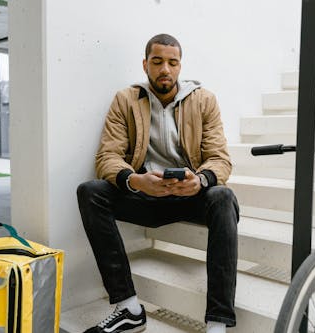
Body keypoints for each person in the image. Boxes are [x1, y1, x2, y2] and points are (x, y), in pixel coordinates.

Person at [77, 33, 239, 333]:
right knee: (90, 192)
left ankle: (217, 322)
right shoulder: (125, 100)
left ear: (180, 66)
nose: (165, 69)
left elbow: (220, 159)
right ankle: (128, 308)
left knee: (223, 197)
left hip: (188, 197)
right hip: (146, 196)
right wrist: (135, 181)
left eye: (172, 62)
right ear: (145, 64)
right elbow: (107, 157)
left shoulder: (204, 100)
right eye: (157, 61)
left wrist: (200, 181)